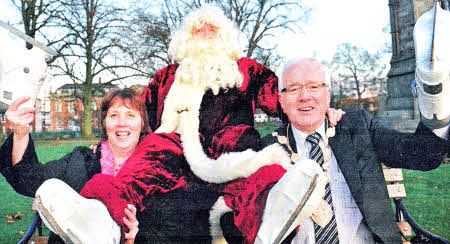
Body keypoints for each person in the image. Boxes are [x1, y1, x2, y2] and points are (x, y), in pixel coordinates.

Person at [79, 5, 343, 243]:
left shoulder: (246, 70)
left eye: (212, 31)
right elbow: (138, 114)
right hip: (174, 168)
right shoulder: (167, 76)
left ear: (225, 37)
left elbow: (282, 97)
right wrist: (111, 136)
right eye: (198, 31)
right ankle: (105, 219)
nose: (205, 36)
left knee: (266, 178)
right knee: (149, 154)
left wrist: (319, 108)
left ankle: (262, 229)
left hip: (233, 161)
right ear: (186, 40)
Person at [252, 58, 449, 244]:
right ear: (281, 100)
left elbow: (422, 154)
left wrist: (435, 97)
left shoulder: (358, 127)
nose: (305, 96)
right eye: (293, 89)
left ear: (327, 94)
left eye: (314, 86)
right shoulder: (266, 150)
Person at [0, 89, 148, 243]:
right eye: (114, 115)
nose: (122, 123)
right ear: (104, 123)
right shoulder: (82, 159)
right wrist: (21, 132)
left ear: (142, 123)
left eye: (130, 115)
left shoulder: (157, 168)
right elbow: (30, 181)